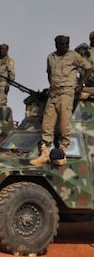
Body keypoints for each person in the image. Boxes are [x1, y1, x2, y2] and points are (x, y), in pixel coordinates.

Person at [30, 35, 92, 166]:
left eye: (66, 44)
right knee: (47, 123)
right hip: (53, 93)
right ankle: (44, 154)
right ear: (56, 44)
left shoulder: (74, 56)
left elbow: (88, 68)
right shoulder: (51, 57)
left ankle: (62, 153)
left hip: (67, 92)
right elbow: (49, 74)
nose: (65, 46)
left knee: (64, 123)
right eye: (62, 44)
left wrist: (81, 85)